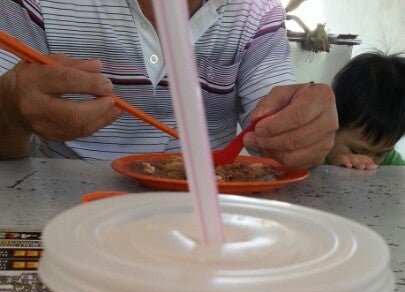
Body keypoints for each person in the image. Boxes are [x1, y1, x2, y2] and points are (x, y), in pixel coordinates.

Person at [0, 0, 337, 169]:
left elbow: (276, 127)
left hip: (207, 225)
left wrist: (302, 127)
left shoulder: (257, 10)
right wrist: (9, 107)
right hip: (65, 218)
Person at [326, 52, 405, 169]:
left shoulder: (390, 160)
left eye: (379, 154)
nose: (368, 162)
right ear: (329, 124)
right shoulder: (311, 155)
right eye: (355, 151)